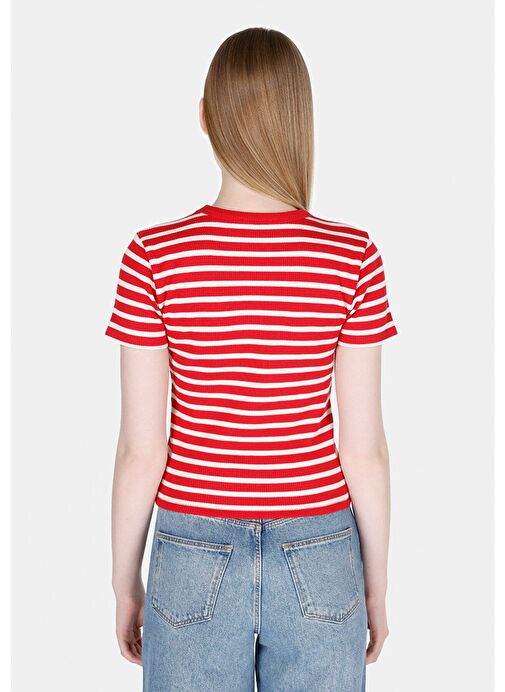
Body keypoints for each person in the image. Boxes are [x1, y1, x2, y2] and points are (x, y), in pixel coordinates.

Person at [105, 27, 398, 692]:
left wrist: (125, 583)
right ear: (300, 121)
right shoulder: (351, 257)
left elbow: (140, 450)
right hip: (321, 550)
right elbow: (365, 451)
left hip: (190, 549)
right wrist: (374, 585)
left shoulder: (153, 256)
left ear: (205, 117)